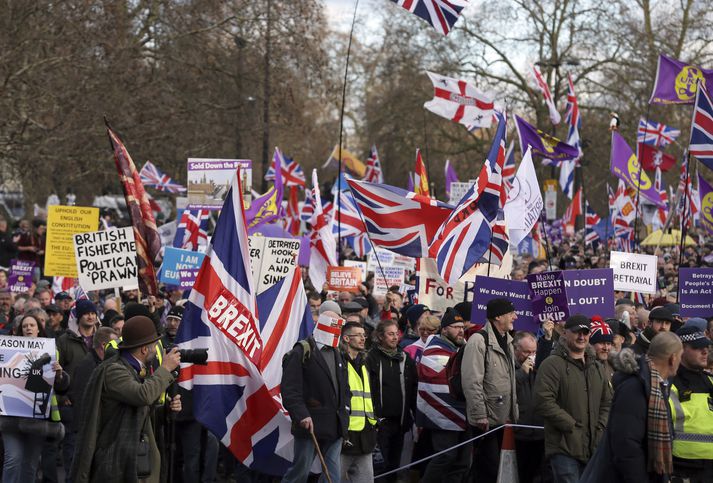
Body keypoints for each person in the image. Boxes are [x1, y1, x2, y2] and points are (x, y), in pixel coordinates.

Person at [71, 316, 182, 483]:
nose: (157, 349)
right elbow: (142, 395)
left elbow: (136, 410)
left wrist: (166, 408)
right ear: (144, 349)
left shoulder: (134, 370)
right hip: (116, 462)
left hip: (131, 460)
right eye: (154, 345)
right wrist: (165, 368)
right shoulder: (115, 371)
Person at [581, 332, 682, 482]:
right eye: (680, 356)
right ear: (673, 358)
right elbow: (626, 445)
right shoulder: (634, 388)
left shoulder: (654, 386)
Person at [534, 315, 612, 483]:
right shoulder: (552, 364)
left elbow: (607, 401)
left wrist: (601, 426)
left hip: (593, 446)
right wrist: (570, 425)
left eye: (585, 332)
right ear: (564, 333)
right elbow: (543, 401)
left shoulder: (597, 367)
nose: (581, 337)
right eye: (577, 332)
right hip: (564, 446)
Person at [280, 311, 350, 483]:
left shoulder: (338, 352)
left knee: (332, 474)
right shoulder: (302, 351)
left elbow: (344, 386)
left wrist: (345, 408)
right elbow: (290, 389)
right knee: (300, 471)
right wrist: (301, 414)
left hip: (335, 424)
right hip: (310, 423)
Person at [0, 314, 69, 483]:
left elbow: (62, 386)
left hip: (37, 420)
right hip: (11, 419)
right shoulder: (7, 353)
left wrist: (59, 375)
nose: (29, 328)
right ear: (19, 331)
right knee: (12, 461)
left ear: (39, 329)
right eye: (25, 326)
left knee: (30, 464)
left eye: (32, 325)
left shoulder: (52, 352)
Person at [462, 298, 518, 483]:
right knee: (488, 470)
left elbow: (509, 379)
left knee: (496, 471)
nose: (515, 317)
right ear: (498, 316)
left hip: (502, 418)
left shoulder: (508, 341)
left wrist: (512, 412)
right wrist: (479, 415)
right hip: (485, 421)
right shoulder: (478, 341)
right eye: (511, 313)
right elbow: (472, 381)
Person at [417, 307, 470, 483]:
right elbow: (444, 377)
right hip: (443, 415)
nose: (461, 330)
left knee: (461, 462)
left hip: (464, 413)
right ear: (444, 329)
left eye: (462, 327)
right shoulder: (435, 349)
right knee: (445, 456)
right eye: (455, 327)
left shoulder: (461, 347)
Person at [365, 319, 417, 482]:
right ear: (380, 336)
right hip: (379, 423)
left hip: (400, 422)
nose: (395, 337)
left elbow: (413, 389)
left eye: (397, 334)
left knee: (394, 465)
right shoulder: (370, 358)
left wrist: (414, 417)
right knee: (380, 466)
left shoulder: (405, 358)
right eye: (390, 334)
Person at [56, 298, 99, 478]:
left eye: (93, 313)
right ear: (79, 316)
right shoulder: (65, 340)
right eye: (86, 313)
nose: (90, 317)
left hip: (97, 405)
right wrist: (61, 397)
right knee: (73, 456)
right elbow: (55, 372)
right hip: (72, 405)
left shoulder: (102, 338)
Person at [669, 326, 713, 482]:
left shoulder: (710, 381)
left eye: (706, 347)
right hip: (682, 468)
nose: (705, 351)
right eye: (697, 347)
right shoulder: (670, 384)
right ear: (681, 349)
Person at [340, 321, 376, 483]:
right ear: (346, 338)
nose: (363, 338)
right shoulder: (338, 363)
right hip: (344, 434)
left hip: (365, 435)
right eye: (358, 335)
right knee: (334, 479)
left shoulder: (363, 363)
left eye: (364, 335)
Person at [512, 331, 546, 483]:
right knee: (522, 473)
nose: (531, 355)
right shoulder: (509, 366)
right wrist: (522, 372)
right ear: (515, 349)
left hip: (540, 431)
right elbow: (507, 389)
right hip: (520, 432)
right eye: (527, 352)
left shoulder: (540, 366)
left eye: (534, 352)